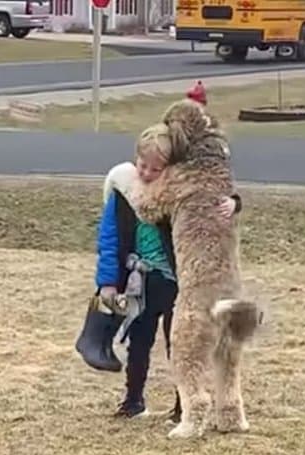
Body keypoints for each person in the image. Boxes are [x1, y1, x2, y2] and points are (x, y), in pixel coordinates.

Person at [96, 123, 242, 419]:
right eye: (143, 166)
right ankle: (133, 400)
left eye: (157, 169)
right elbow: (109, 238)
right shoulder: (124, 191)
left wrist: (234, 203)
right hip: (140, 279)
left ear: (171, 169)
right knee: (139, 341)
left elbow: (211, 199)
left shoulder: (177, 193)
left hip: (176, 281)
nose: (148, 174)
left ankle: (183, 406)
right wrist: (108, 282)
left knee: (181, 344)